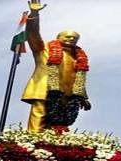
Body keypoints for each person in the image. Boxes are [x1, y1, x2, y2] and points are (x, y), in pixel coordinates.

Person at [22, 0, 91, 132]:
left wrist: (82, 97)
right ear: (58, 37)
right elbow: (33, 35)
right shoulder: (44, 50)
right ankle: (30, 147)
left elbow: (79, 80)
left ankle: (54, 148)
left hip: (67, 96)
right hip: (44, 90)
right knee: (38, 123)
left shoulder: (78, 57)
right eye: (68, 37)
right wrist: (34, 13)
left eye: (74, 38)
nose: (71, 40)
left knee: (58, 127)